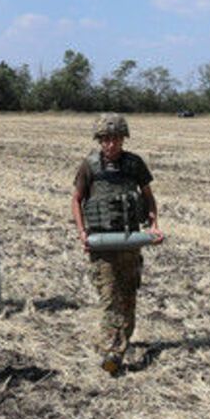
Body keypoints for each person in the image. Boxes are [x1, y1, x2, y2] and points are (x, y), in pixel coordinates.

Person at [71, 113, 162, 374]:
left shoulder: (134, 165)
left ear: (123, 139)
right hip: (102, 246)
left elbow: (148, 197)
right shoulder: (89, 166)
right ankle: (113, 351)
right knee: (110, 297)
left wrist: (153, 225)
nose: (111, 145)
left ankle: (120, 340)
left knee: (128, 297)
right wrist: (82, 232)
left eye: (116, 139)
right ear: (99, 141)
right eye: (106, 140)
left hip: (129, 242)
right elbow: (76, 200)